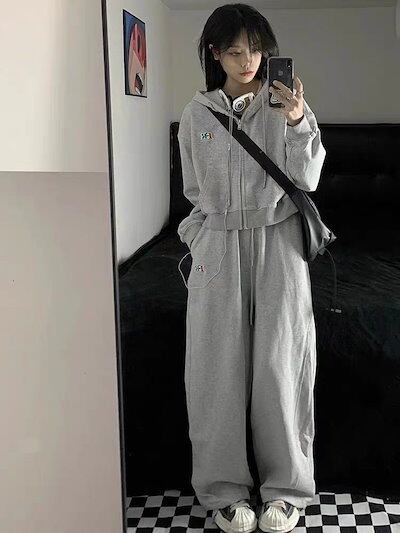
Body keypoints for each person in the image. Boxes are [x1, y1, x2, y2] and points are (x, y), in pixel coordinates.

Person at [176, 4, 326, 533]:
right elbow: (193, 191)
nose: (248, 61)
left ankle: (286, 491)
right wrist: (199, 236)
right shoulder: (196, 115)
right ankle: (223, 491)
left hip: (278, 242)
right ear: (215, 54)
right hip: (217, 247)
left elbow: (308, 177)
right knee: (214, 371)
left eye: (257, 50)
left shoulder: (285, 105)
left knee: (282, 366)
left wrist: (297, 120)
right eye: (236, 51)